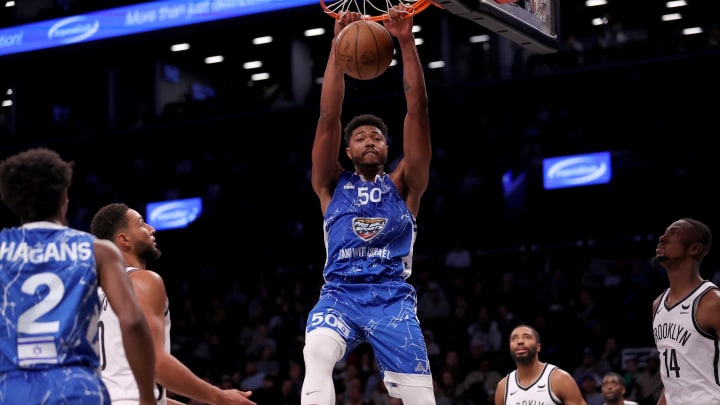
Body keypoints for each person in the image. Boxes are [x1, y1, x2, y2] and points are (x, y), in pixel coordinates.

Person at [301, 4, 434, 405]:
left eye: (376, 136)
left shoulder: (407, 184)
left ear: (388, 146)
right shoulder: (329, 183)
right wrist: (338, 46)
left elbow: (418, 111)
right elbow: (328, 116)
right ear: (347, 149)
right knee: (316, 352)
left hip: (392, 297)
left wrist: (406, 41)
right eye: (360, 137)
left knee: (421, 400)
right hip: (339, 293)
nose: (370, 140)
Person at [0, 148, 156, 405]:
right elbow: (133, 322)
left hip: (14, 389)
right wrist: (147, 398)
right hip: (77, 387)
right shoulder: (98, 250)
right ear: (64, 197)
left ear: (12, 200)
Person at [90, 202, 256, 405]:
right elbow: (155, 363)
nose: (152, 229)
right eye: (142, 223)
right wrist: (219, 397)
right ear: (125, 240)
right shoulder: (143, 280)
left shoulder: (95, 296)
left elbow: (126, 386)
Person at [651, 217, 720, 404]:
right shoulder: (658, 304)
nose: (662, 238)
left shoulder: (712, 302)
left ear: (695, 248)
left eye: (674, 233)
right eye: (665, 232)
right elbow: (672, 380)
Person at [494, 324, 587, 405]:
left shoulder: (559, 379)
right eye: (514, 338)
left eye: (526, 337)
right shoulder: (503, 387)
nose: (520, 341)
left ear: (538, 347)